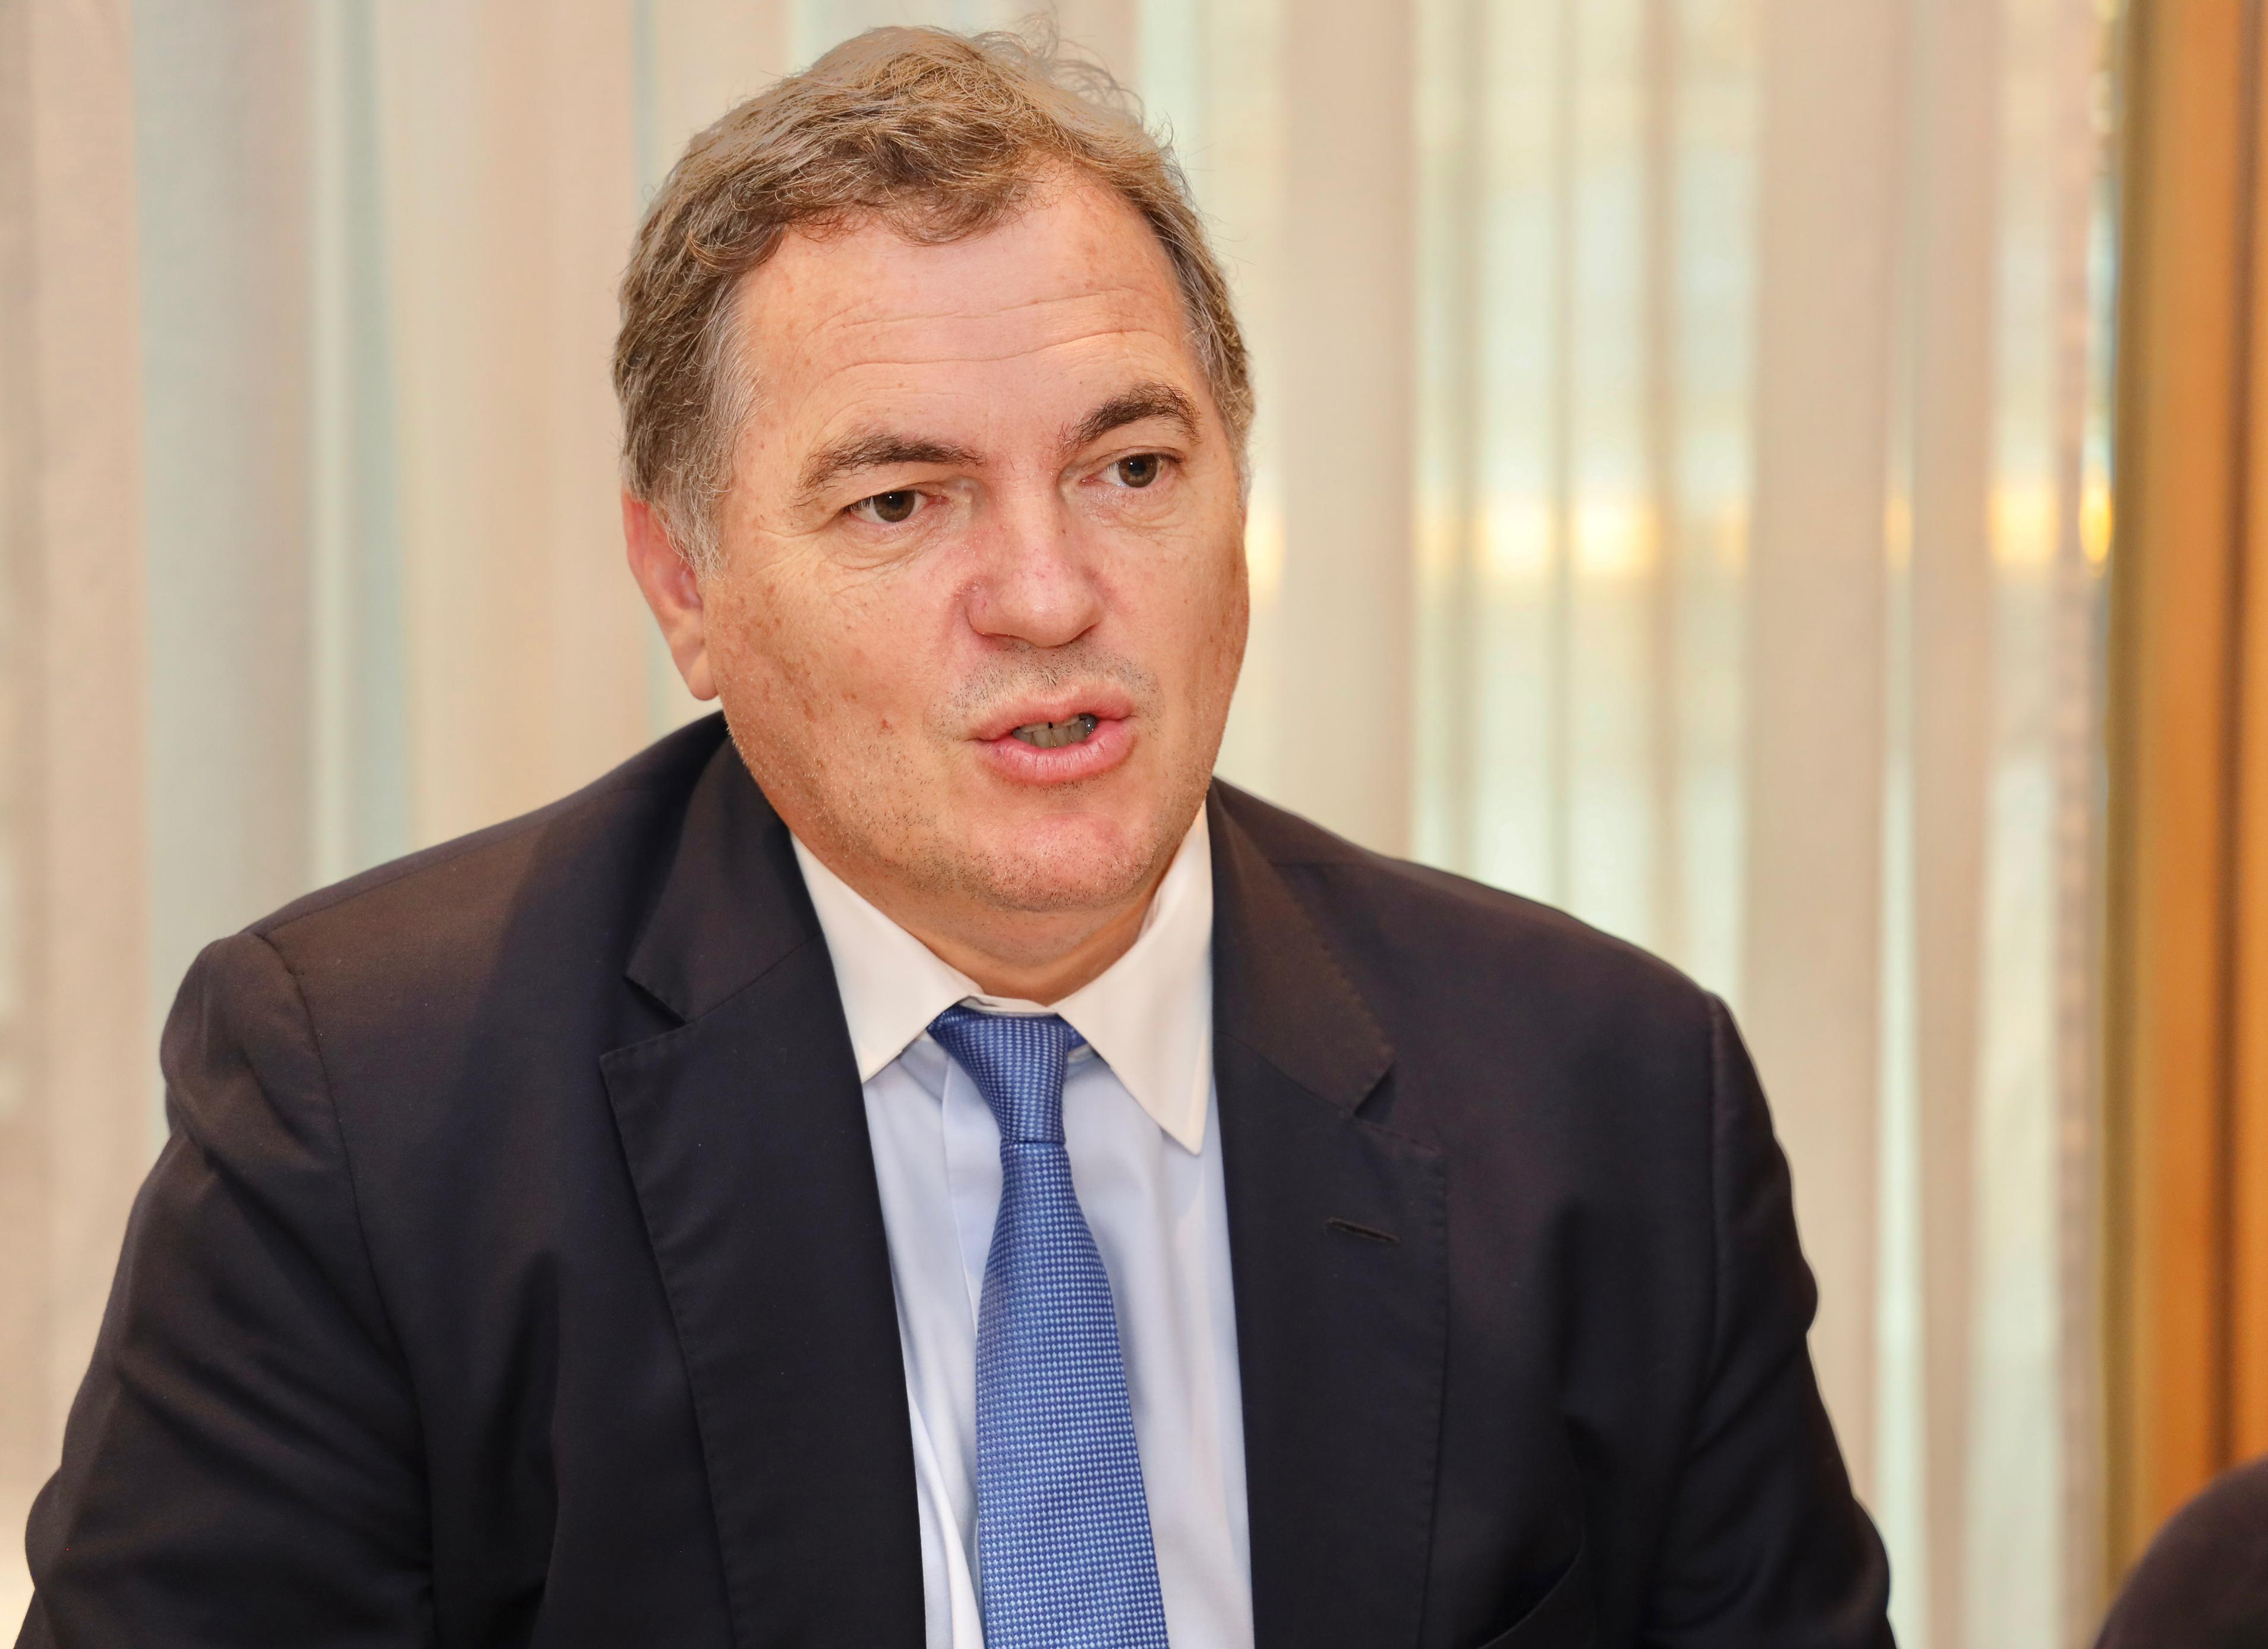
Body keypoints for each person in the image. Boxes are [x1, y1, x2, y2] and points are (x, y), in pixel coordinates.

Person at [18, 26, 1890, 1649]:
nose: (1050, 594)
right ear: (685, 587)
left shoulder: (1609, 1104)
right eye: (903, 502)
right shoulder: (373, 1117)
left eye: (1131, 468)